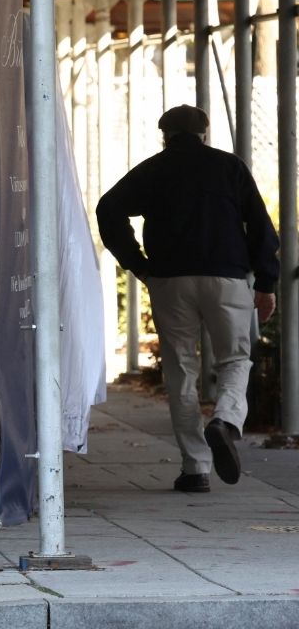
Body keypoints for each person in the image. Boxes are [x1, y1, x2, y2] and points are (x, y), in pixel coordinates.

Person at [97, 105, 279, 492]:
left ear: (164, 135)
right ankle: (226, 420)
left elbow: (108, 209)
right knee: (235, 359)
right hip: (227, 278)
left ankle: (195, 469)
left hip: (170, 280)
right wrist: (266, 282)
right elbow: (260, 226)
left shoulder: (152, 170)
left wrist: (138, 264)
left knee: (181, 370)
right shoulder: (230, 168)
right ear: (204, 134)